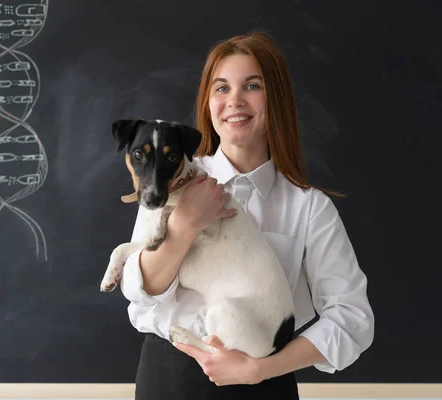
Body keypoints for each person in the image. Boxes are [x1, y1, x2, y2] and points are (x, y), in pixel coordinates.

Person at [119, 31, 375, 400]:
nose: (234, 100)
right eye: (221, 88)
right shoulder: (170, 182)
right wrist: (186, 224)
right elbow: (140, 292)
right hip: (167, 380)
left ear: (277, 99)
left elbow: (353, 319)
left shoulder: (309, 208)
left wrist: (261, 369)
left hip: (263, 384)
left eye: (251, 86)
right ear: (207, 102)